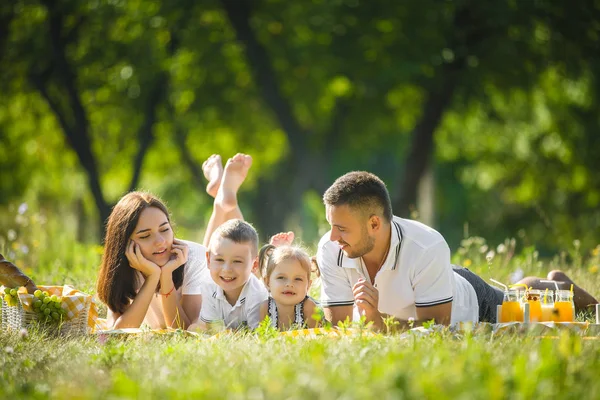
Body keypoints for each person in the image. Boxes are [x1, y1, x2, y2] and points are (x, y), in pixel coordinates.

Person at [316, 171, 598, 330]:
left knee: (534, 309)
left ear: (374, 223)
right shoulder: (332, 247)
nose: (332, 236)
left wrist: (380, 323)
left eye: (342, 228)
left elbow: (436, 328)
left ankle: (563, 286)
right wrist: (372, 324)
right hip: (428, 284)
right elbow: (339, 324)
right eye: (332, 226)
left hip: (469, 301)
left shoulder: (427, 246)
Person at [96, 192, 205, 330]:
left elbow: (185, 332)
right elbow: (116, 334)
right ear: (124, 243)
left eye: (165, 229)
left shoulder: (195, 259)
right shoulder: (122, 268)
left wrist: (166, 276)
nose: (160, 242)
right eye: (145, 236)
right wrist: (153, 278)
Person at [191, 219, 268, 331]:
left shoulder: (257, 295)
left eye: (237, 261)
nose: (227, 269)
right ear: (208, 259)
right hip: (226, 331)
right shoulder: (208, 286)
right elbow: (210, 329)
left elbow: (256, 336)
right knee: (193, 328)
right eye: (219, 259)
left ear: (254, 264)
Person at [258, 244, 319, 330]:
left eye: (298, 279)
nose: (289, 284)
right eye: (281, 278)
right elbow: (263, 336)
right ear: (268, 282)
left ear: (308, 285)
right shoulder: (266, 308)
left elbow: (316, 335)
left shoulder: (308, 307)